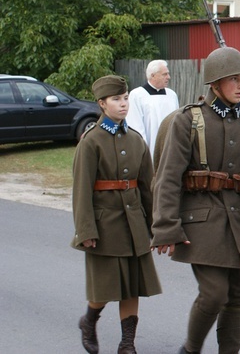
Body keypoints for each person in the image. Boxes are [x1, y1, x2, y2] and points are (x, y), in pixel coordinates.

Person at [150, 46, 240, 354]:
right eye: (233, 78)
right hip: (201, 221)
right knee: (214, 293)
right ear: (215, 84)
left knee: (237, 294)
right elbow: (168, 177)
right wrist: (166, 226)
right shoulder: (188, 120)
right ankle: (190, 349)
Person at [72, 75, 161, 354]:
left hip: (133, 225)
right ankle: (89, 320)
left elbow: (148, 188)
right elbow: (81, 190)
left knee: (132, 287)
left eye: (125, 98)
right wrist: (86, 230)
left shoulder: (136, 140)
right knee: (106, 288)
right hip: (105, 225)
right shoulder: (91, 142)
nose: (123, 104)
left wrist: (156, 227)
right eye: (116, 99)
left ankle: (127, 344)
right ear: (102, 104)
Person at [126, 59, 180, 159]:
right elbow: (135, 127)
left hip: (171, 149)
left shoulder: (172, 95)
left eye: (168, 74)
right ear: (153, 75)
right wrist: (144, 153)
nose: (169, 77)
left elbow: (177, 122)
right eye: (165, 74)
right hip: (148, 152)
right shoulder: (137, 95)